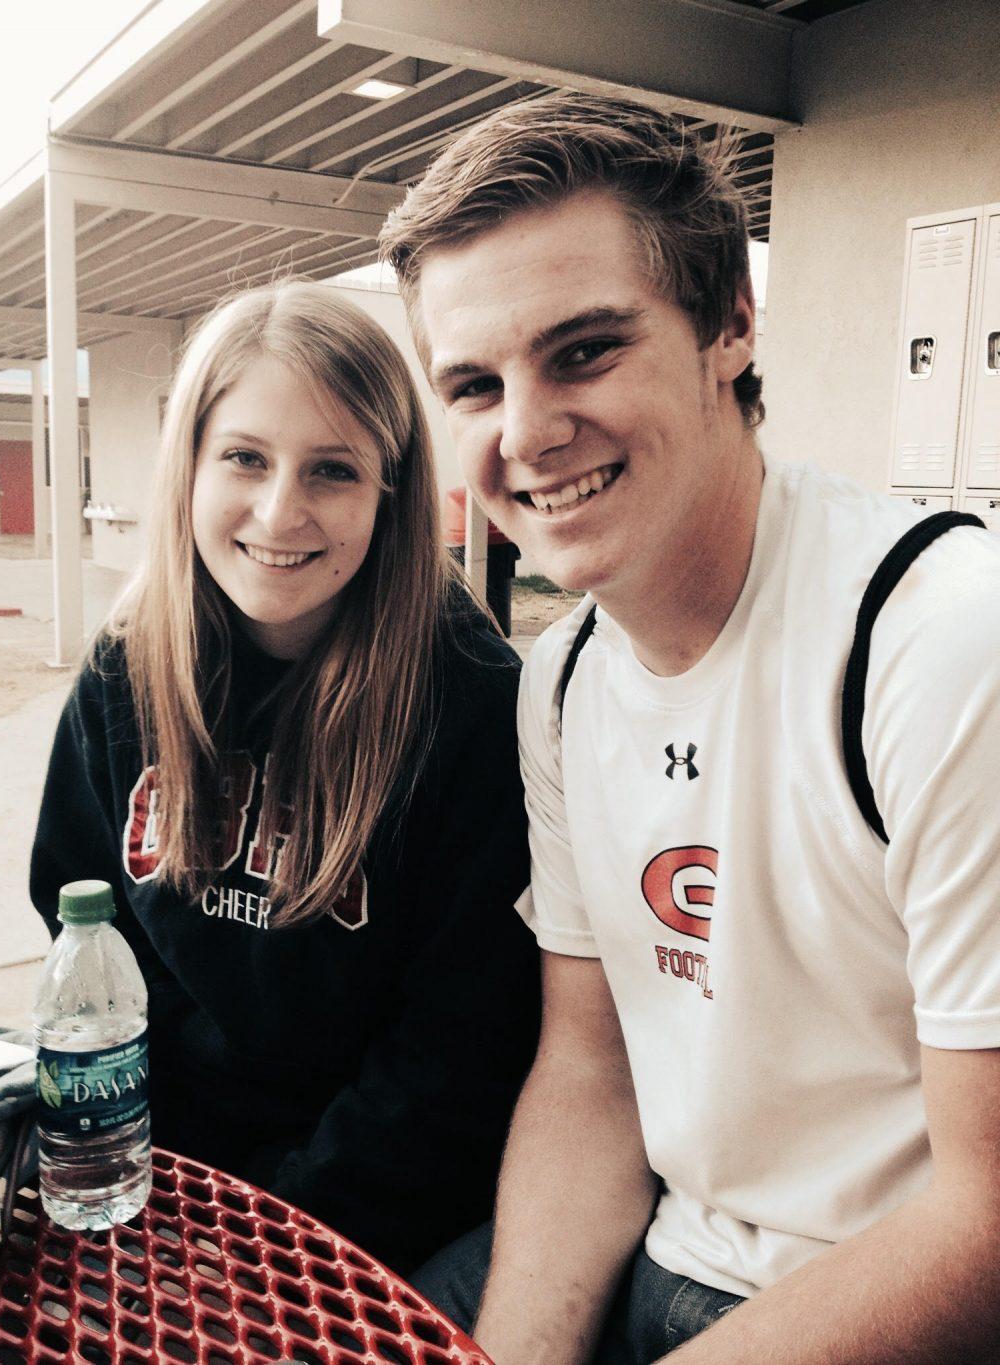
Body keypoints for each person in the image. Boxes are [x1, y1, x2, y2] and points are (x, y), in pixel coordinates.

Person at [379, 94, 1000, 1360]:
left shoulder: (939, 644)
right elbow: (592, 1078)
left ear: (730, 323)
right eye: (474, 383)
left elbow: (985, 1225)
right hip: (666, 1249)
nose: (528, 431)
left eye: (585, 350)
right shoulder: (557, 684)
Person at [30, 280, 540, 1274]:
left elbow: (457, 1051)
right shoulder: (124, 675)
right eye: (245, 459)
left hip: (380, 1216)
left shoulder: (471, 703)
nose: (280, 511)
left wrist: (269, 1229)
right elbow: (85, 933)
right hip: (161, 1181)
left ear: (390, 492)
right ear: (188, 467)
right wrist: (157, 1182)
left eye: (333, 470)